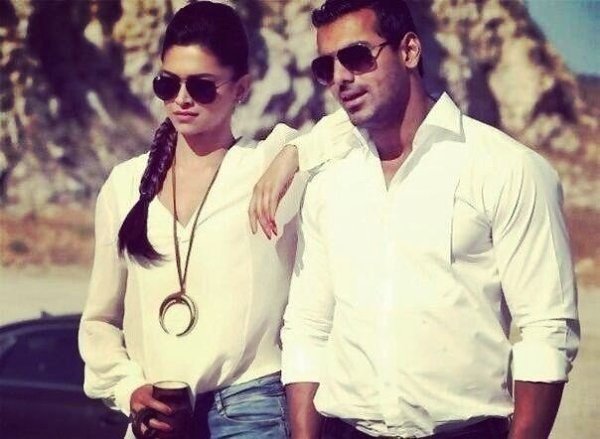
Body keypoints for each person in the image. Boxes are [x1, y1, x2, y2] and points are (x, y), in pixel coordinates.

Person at [249, 0, 580, 438]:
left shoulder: (506, 168)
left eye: (356, 56)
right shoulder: (329, 183)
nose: (341, 77)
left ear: (409, 51)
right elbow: (309, 328)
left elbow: (546, 330)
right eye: (326, 67)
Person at [78, 2, 306, 438]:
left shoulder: (268, 167)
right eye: (167, 83)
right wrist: (128, 389)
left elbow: (357, 130)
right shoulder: (125, 185)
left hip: (251, 410)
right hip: (158, 417)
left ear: (241, 88)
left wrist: (295, 153)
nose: (181, 99)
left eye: (202, 86)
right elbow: (100, 320)